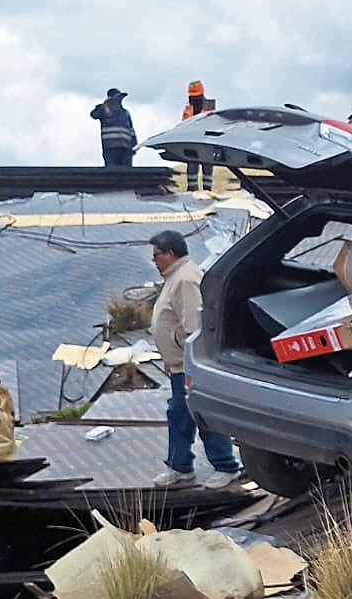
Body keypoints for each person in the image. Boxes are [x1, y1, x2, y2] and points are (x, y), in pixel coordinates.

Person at [148, 230, 242, 489]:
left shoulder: (185, 280)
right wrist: (170, 356)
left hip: (190, 365)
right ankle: (180, 466)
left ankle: (225, 466)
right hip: (180, 363)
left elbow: (194, 327)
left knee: (202, 413)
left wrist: (187, 359)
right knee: (179, 414)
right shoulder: (175, 276)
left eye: (156, 256)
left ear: (170, 254)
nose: (153, 261)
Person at [180, 81, 214, 192]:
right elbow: (183, 125)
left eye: (196, 96)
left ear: (202, 95)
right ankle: (191, 191)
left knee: (207, 167)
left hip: (206, 142)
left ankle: (207, 191)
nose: (194, 99)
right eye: (192, 97)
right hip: (192, 142)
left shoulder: (209, 107)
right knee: (192, 166)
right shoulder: (188, 109)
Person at [91, 88, 137, 167]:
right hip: (110, 148)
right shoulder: (104, 110)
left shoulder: (125, 113)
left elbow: (131, 131)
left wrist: (134, 144)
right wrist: (104, 105)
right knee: (112, 172)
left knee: (128, 172)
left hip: (126, 149)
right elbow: (94, 115)